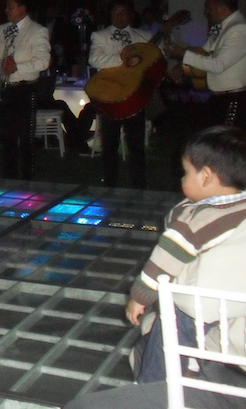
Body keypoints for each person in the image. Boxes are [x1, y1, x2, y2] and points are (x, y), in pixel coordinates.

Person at [64, 125, 246, 409]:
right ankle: (195, 364)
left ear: (206, 176)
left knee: (167, 332)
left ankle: (152, 386)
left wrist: (139, 297)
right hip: (228, 307)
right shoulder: (240, 206)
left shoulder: (193, 220)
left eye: (185, 173)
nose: (181, 179)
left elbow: (162, 262)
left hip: (196, 305)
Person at [0, 0, 51, 180]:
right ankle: (9, 176)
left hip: (25, 88)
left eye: (10, 7)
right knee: (7, 135)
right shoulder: (3, 29)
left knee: (25, 135)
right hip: (6, 87)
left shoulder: (37, 31)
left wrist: (18, 67)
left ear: (22, 9)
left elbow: (44, 61)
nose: (6, 10)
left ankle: (27, 177)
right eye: (6, 7)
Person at [88, 0, 151, 188]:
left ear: (131, 15)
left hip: (135, 97)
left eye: (124, 13)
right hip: (110, 97)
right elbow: (95, 59)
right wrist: (125, 60)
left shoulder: (144, 36)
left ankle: (139, 185)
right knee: (109, 143)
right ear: (110, 14)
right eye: (116, 12)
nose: (120, 16)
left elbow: (152, 61)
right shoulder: (100, 35)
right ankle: (109, 183)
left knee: (136, 144)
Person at [166, 0, 246, 129]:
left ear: (222, 9)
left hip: (233, 99)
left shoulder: (239, 29)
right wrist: (182, 66)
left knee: (226, 141)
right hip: (219, 97)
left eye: (209, 6)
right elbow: (202, 52)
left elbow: (218, 65)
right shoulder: (222, 27)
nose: (206, 11)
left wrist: (184, 54)